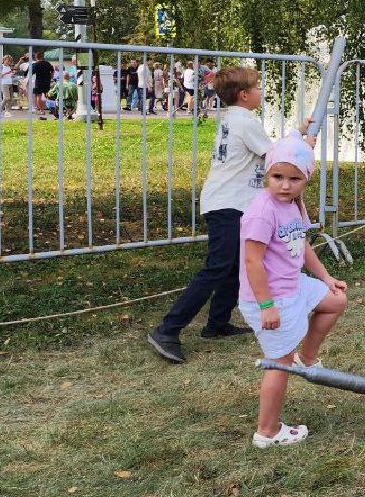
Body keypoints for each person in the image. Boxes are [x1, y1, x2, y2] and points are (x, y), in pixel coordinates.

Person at [148, 66, 313, 363]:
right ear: (244, 95)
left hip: (231, 202)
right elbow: (275, 157)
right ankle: (168, 330)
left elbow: (270, 149)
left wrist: (297, 133)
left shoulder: (235, 119)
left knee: (234, 264)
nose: (261, 91)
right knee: (218, 266)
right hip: (227, 204)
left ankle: (217, 323)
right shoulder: (244, 121)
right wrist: (302, 145)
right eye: (258, 87)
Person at [237, 135, 348, 448]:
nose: (285, 186)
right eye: (277, 177)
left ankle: (307, 359)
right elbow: (252, 261)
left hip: (294, 286)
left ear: (306, 179)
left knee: (336, 301)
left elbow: (302, 245)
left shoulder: (294, 205)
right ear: (267, 174)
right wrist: (266, 306)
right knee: (278, 363)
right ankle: (267, 431)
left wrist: (325, 277)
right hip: (270, 298)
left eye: (294, 179)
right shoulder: (262, 211)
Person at [30, 51, 54, 119]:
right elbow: (52, 71)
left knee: (39, 96)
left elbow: (31, 73)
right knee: (46, 95)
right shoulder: (47, 63)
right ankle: (49, 108)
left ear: (36, 57)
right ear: (42, 57)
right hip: (47, 81)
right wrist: (51, 77)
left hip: (39, 82)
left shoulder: (36, 64)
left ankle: (41, 110)